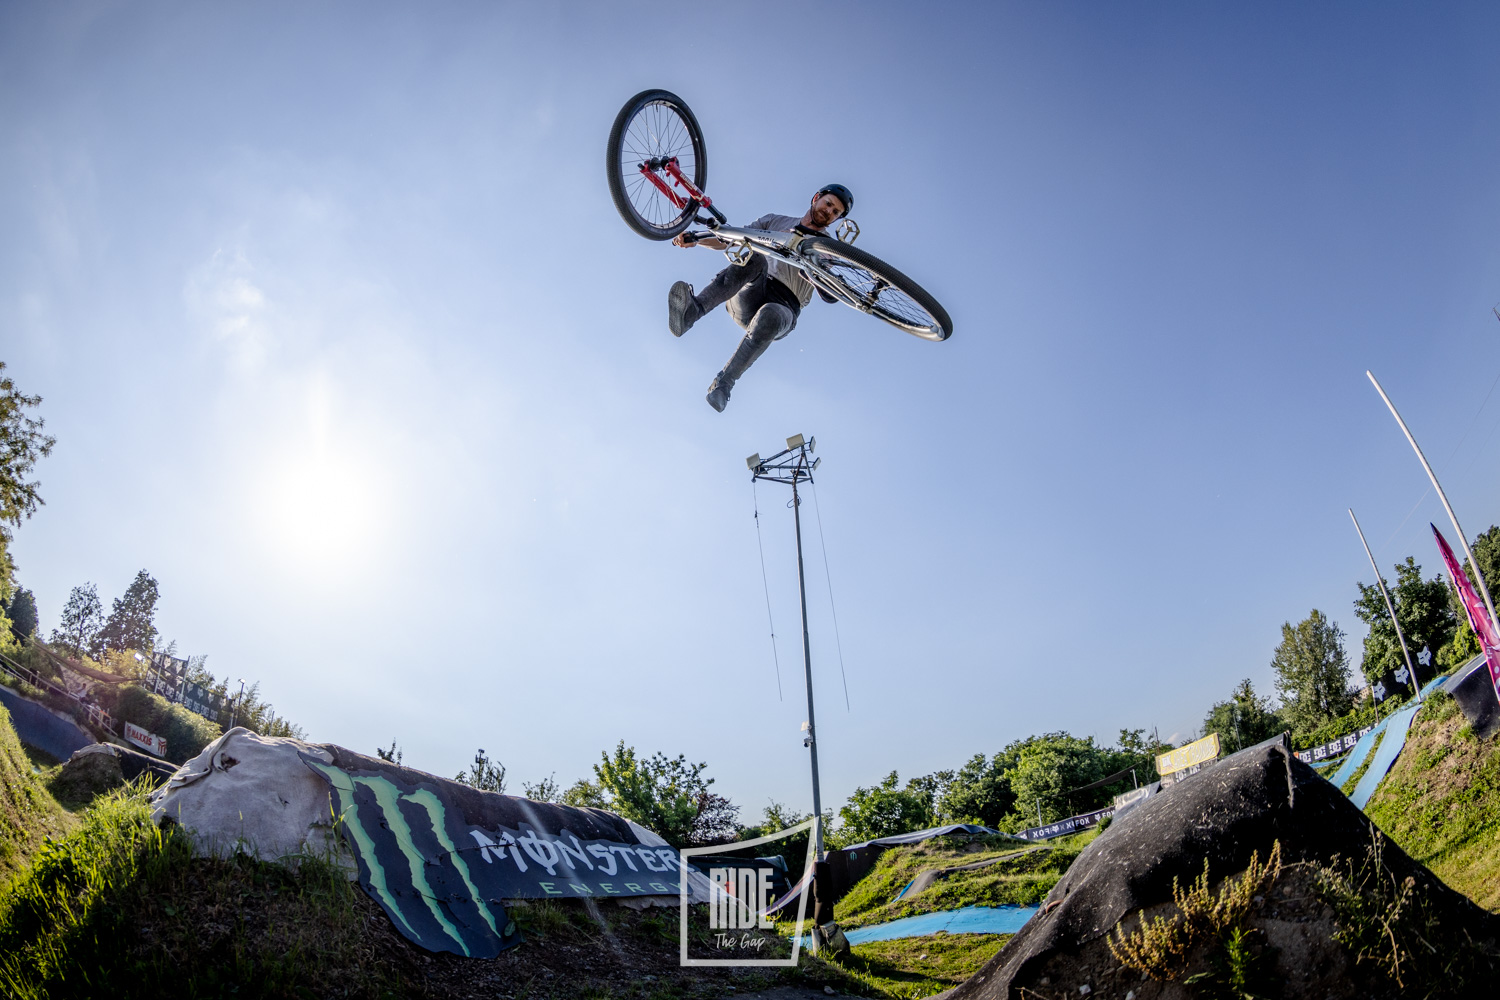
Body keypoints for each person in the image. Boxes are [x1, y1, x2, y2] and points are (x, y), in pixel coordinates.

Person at [667, 184, 854, 412]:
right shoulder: (775, 221)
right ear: (816, 198)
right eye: (828, 204)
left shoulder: (828, 247)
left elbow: (828, 285)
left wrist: (825, 278)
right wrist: (697, 239)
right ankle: (691, 311)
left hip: (785, 306)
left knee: (771, 315)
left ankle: (723, 386)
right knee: (753, 257)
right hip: (753, 290)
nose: (829, 212)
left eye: (835, 213)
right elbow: (731, 239)